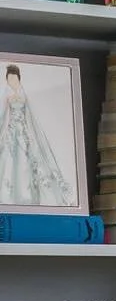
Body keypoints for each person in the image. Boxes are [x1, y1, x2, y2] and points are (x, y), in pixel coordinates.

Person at [0, 63, 73, 207]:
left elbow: (31, 117)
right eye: (9, 80)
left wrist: (30, 134)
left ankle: (26, 196)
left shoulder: (25, 97)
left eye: (14, 79)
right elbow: (4, 116)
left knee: (25, 162)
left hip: (23, 132)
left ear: (19, 80)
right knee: (9, 161)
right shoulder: (7, 97)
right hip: (11, 131)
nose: (12, 82)